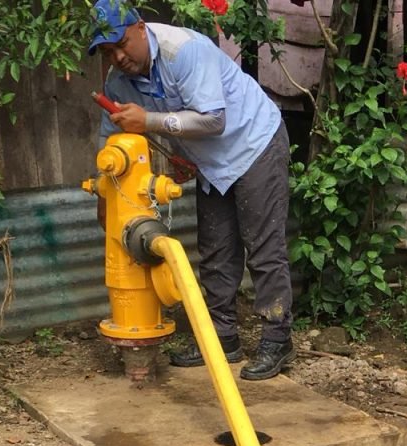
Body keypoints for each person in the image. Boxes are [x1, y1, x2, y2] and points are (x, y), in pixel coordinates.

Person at [88, 0, 294, 380]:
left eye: (120, 44)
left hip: (254, 143)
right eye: (107, 52)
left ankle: (277, 339)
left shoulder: (184, 50)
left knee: (263, 246)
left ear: (139, 27)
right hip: (213, 163)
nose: (118, 57)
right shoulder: (118, 83)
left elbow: (214, 119)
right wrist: (105, 197)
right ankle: (222, 338)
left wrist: (147, 120)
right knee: (216, 250)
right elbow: (110, 139)